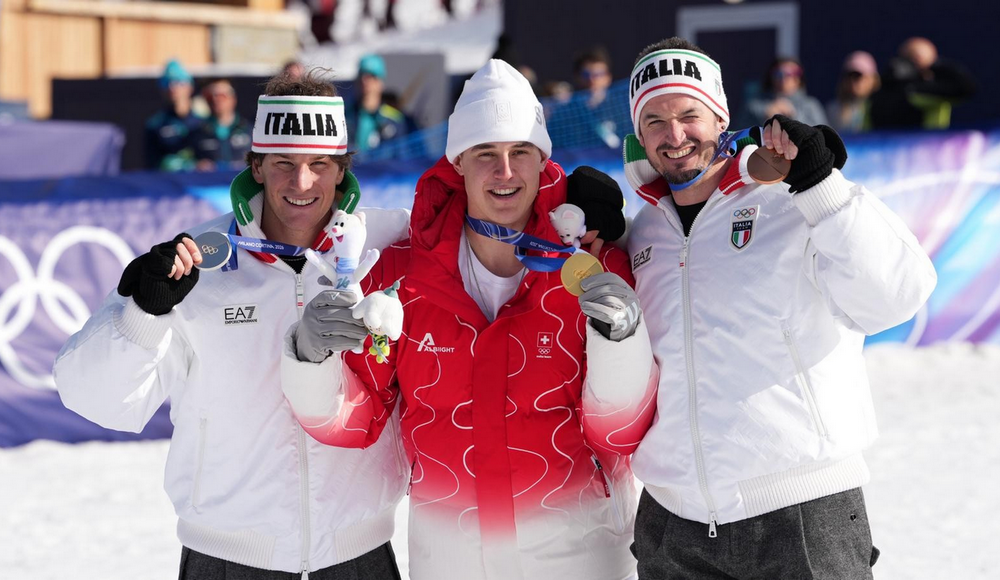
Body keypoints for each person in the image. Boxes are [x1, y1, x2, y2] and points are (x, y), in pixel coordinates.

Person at [281, 59, 658, 580]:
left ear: (541, 159)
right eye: (486, 154)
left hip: (581, 554)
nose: (505, 172)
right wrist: (309, 356)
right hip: (449, 560)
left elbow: (620, 433)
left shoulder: (590, 266)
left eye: (520, 152)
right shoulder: (401, 276)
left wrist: (622, 341)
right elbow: (354, 422)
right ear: (457, 162)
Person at [54, 71, 411, 579]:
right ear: (257, 167)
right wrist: (142, 313)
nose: (301, 183)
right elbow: (94, 398)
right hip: (228, 558)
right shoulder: (197, 258)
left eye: (318, 165)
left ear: (341, 170)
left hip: (360, 551)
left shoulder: (390, 242)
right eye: (283, 163)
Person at [619, 37, 937, 579]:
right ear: (638, 133)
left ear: (720, 117)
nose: (674, 135)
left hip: (802, 518)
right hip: (673, 525)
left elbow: (897, 294)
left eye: (689, 114)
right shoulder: (643, 231)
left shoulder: (791, 199)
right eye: (654, 120)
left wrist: (820, 185)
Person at [869, 36, 977, 129]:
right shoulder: (915, 93)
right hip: (924, 149)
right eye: (930, 63)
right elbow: (965, 87)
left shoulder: (885, 87)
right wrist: (933, 65)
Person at [549, 46, 624, 149]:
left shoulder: (622, 110)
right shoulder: (564, 114)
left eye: (598, 74)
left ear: (608, 77)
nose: (592, 80)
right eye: (586, 75)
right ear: (577, 77)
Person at [346, 54, 416, 153]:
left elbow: (401, 155)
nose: (365, 81)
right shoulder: (345, 115)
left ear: (381, 82)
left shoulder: (395, 118)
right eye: (361, 75)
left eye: (371, 76)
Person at [145, 59, 205, 171]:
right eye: (167, 83)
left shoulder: (203, 123)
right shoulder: (155, 125)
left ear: (189, 87)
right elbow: (152, 167)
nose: (172, 88)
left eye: (179, 82)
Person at [740, 57, 828, 127]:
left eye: (791, 73)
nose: (784, 79)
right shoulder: (754, 106)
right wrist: (765, 118)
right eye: (778, 74)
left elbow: (825, 137)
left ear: (799, 79)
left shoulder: (811, 105)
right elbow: (738, 136)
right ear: (771, 77)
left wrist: (793, 116)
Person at [193, 79, 253, 172]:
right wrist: (196, 165)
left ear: (232, 99)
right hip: (211, 184)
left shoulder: (250, 130)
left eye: (221, 96)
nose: (215, 100)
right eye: (210, 97)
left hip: (242, 183)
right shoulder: (197, 133)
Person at [826, 51, 880, 133]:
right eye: (849, 76)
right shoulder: (833, 109)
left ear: (872, 79)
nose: (852, 81)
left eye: (858, 76)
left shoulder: (883, 109)